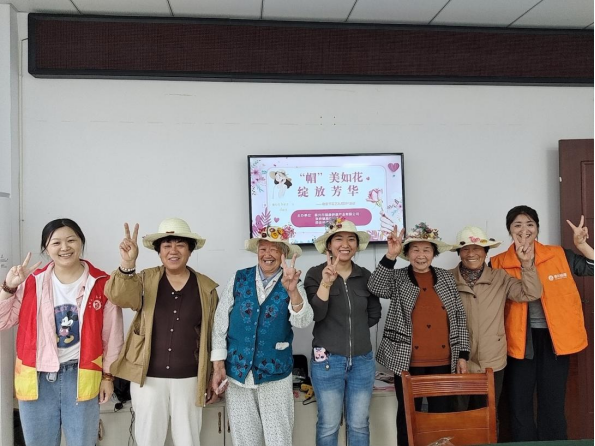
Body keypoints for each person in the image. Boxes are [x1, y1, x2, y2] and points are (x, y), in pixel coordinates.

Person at [0, 218, 124, 446]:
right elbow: (3, 321)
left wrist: (108, 377)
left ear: (81, 242)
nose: (64, 247)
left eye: (71, 240)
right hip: (36, 377)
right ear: (46, 248)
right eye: (56, 242)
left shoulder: (102, 283)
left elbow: (112, 336)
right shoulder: (32, 283)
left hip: (81, 375)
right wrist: (9, 287)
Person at [105, 218, 219, 446]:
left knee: (188, 440)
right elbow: (119, 296)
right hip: (147, 378)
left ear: (190, 250)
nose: (173, 251)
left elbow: (214, 335)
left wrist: (211, 375)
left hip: (190, 378)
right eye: (167, 245)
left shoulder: (206, 288)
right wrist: (128, 263)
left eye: (180, 245)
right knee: (148, 439)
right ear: (159, 252)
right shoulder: (145, 279)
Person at [490, 206, 594, 441]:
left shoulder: (558, 255)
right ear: (509, 230)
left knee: (553, 401)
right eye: (517, 225)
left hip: (555, 340)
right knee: (519, 403)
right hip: (517, 341)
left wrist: (582, 245)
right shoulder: (497, 262)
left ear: (537, 228)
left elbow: (592, 267)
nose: (524, 229)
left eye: (530, 224)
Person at [210, 224, 313, 446]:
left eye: (274, 249)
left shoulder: (292, 281)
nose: (268, 254)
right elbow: (220, 322)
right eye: (263, 248)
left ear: (284, 254)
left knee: (279, 439)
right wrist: (218, 366)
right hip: (238, 373)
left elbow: (303, 321)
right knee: (244, 439)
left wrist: (292, 291)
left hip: (275, 374)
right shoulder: (239, 278)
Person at [367, 222, 469, 446]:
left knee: (440, 418)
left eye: (426, 250)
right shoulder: (398, 277)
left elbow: (459, 317)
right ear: (407, 253)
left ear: (434, 253)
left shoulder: (446, 278)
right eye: (415, 249)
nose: (421, 255)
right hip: (407, 362)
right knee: (408, 417)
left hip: (443, 361)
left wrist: (463, 354)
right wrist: (390, 256)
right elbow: (375, 287)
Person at [304, 217, 382, 446]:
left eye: (351, 239)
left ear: (357, 245)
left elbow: (374, 313)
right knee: (328, 424)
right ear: (329, 245)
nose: (345, 244)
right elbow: (315, 315)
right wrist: (326, 283)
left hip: (362, 361)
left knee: (359, 424)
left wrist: (354, 331)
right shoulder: (315, 274)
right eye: (338, 239)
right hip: (327, 362)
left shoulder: (365, 275)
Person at [448, 226, 542, 412]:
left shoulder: (500, 277)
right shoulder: (447, 279)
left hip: (492, 360)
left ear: (485, 252)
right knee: (458, 416)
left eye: (477, 248)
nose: (471, 254)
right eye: (465, 249)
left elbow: (531, 293)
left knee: (488, 415)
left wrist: (527, 264)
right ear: (459, 253)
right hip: (458, 360)